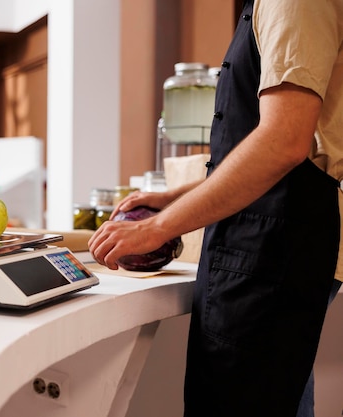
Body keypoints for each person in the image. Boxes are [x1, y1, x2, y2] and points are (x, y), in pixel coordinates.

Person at [88, 0, 343, 416]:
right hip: (266, 238)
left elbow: (284, 142)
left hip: (274, 244)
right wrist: (175, 196)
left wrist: (157, 228)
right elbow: (268, 148)